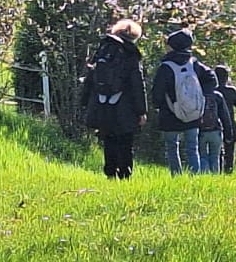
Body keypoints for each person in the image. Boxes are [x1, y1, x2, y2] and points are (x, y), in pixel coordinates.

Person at [80, 19, 147, 179]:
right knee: (125, 141)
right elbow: (137, 85)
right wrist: (141, 111)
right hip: (125, 106)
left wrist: (85, 101)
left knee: (108, 139)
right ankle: (125, 174)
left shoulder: (103, 49)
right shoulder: (130, 54)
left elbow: (91, 77)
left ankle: (110, 173)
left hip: (102, 103)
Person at [151, 27, 217, 175]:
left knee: (172, 147)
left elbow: (158, 92)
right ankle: (195, 176)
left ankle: (177, 176)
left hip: (170, 112)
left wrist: (158, 105)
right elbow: (212, 78)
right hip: (193, 113)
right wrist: (203, 96)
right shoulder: (194, 63)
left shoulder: (166, 67)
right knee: (192, 148)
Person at [195, 70, 234, 174]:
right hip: (215, 130)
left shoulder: (197, 94)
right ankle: (215, 177)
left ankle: (204, 177)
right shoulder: (217, 96)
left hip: (200, 131)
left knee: (202, 156)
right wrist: (229, 134)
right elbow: (225, 117)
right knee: (215, 156)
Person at [213, 64, 236, 173]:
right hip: (230, 122)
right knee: (229, 149)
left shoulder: (212, 90)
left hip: (214, 123)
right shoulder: (231, 90)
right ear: (226, 77)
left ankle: (217, 169)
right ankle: (228, 170)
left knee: (215, 149)